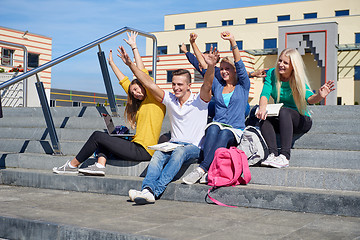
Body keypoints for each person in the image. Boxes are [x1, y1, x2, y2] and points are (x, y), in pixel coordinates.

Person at [52, 32, 166, 176]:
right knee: (106, 136)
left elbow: (142, 73)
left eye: (137, 89)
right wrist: (112, 64)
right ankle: (100, 165)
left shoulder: (155, 99)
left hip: (143, 150)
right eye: (133, 92)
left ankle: (72, 165)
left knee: (97, 136)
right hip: (136, 146)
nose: (136, 93)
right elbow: (125, 82)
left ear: (143, 85)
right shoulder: (141, 101)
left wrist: (134, 47)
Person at [118, 45, 217, 204]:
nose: (176, 88)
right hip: (173, 144)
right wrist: (130, 64)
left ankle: (155, 191)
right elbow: (149, 84)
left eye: (180, 85)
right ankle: (147, 189)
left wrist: (211, 66)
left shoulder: (200, 100)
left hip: (193, 147)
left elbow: (208, 84)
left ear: (188, 85)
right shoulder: (170, 99)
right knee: (158, 153)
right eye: (174, 84)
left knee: (179, 152)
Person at [182, 31, 250, 185]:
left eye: (228, 68)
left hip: (234, 128)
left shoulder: (243, 86)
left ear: (234, 71)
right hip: (218, 123)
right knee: (212, 129)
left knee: (225, 133)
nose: (224, 71)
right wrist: (193, 45)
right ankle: (209, 168)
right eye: (222, 68)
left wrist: (232, 41)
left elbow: (239, 64)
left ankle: (202, 169)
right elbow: (206, 70)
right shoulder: (218, 85)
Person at [256, 48, 335, 168]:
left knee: (284, 112)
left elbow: (310, 99)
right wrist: (262, 108)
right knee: (263, 117)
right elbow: (264, 94)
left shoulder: (298, 78)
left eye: (285, 63)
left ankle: (285, 156)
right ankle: (272, 154)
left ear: (293, 66)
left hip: (301, 120)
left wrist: (320, 96)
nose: (280, 65)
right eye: (280, 61)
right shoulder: (272, 74)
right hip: (282, 119)